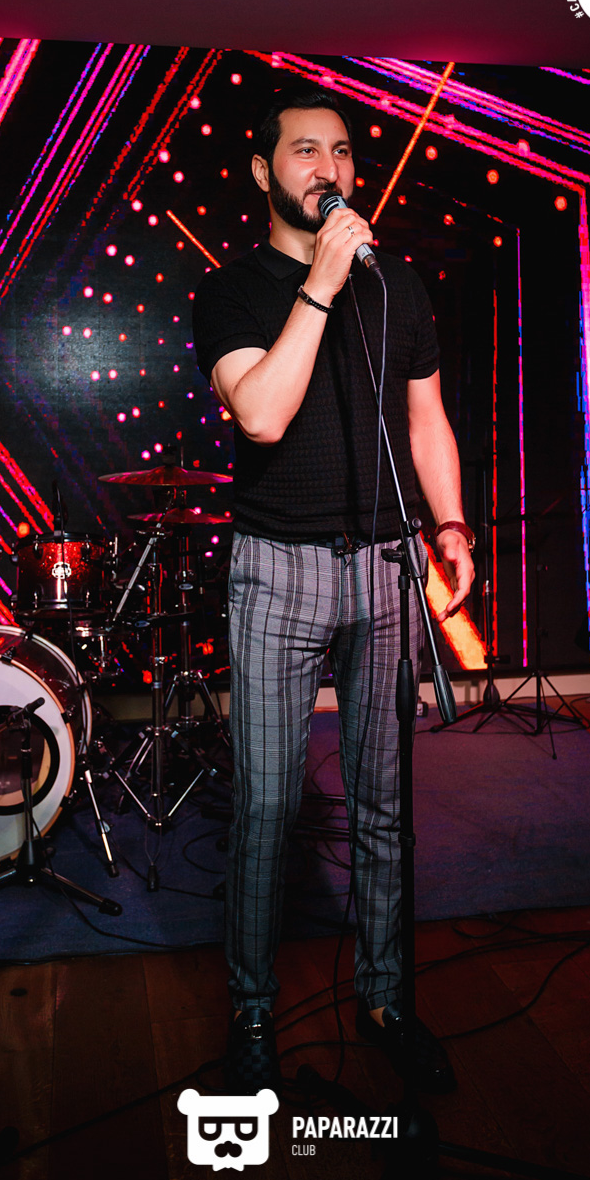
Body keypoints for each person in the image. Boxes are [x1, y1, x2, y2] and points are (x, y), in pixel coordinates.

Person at [192, 85, 475, 1096]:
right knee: (268, 808)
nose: (329, 167)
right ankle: (252, 1013)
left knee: (383, 806)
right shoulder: (231, 290)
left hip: (385, 566)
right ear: (263, 172)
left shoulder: (395, 284)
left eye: (343, 151)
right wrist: (317, 284)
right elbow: (262, 415)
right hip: (277, 571)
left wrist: (449, 523)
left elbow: (424, 417)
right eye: (304, 150)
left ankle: (387, 1000)